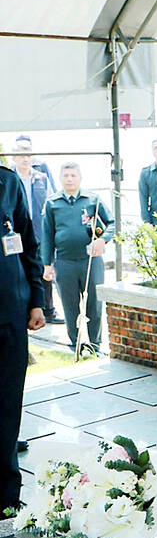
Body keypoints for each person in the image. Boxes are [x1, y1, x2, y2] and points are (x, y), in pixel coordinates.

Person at [0, 164, 45, 514]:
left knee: (8, 403)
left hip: (12, 315)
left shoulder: (9, 181)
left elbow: (28, 242)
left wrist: (36, 300)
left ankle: (6, 497)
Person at [40, 163, 115, 352]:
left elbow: (111, 223)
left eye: (73, 175)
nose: (70, 179)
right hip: (64, 262)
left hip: (90, 261)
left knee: (94, 304)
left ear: (80, 177)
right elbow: (47, 235)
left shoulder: (92, 200)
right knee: (70, 305)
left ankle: (95, 344)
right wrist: (46, 265)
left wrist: (103, 240)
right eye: (66, 176)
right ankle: (76, 343)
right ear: (60, 179)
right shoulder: (52, 203)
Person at [10, 139, 62, 324]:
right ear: (14, 157)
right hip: (15, 234)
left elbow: (51, 203)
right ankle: (23, 309)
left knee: (44, 269)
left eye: (29, 154)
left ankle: (48, 309)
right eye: (22, 155)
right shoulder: (9, 179)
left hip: (39, 232)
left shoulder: (41, 178)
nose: (26, 159)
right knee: (19, 270)